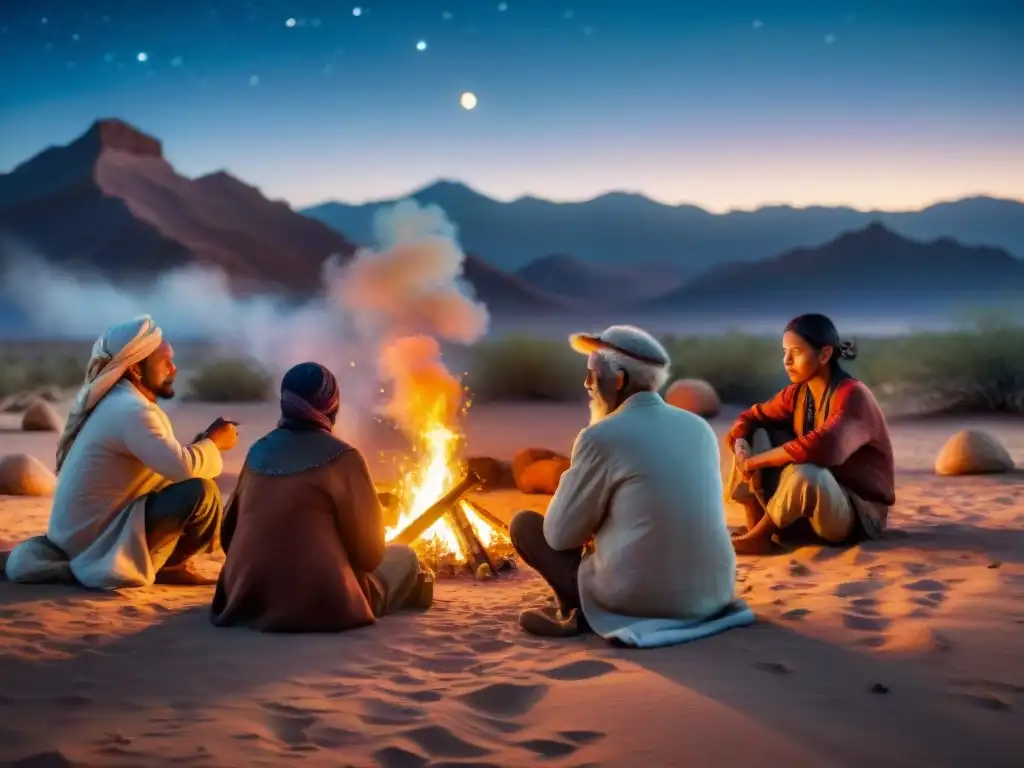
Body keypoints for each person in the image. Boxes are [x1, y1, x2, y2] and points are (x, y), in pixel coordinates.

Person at [509, 325, 737, 638]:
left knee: (525, 525)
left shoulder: (600, 437)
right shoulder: (699, 428)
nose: (586, 383)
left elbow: (559, 536)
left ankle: (579, 611)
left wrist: (573, 479)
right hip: (713, 595)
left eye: (592, 374)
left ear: (618, 380)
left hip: (638, 599)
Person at [17, 316, 235, 589]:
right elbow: (182, 468)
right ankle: (172, 566)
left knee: (194, 482)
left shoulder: (119, 402)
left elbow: (163, 464)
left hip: (80, 534)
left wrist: (201, 444)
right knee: (201, 493)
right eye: (165, 361)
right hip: (94, 542)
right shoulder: (132, 411)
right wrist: (214, 443)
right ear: (135, 368)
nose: (174, 369)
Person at [211, 362, 428, 633]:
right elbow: (370, 555)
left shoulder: (259, 450)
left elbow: (228, 537)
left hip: (246, 594)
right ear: (332, 405)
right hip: (323, 601)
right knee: (405, 557)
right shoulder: (344, 457)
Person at [726, 313, 896, 555]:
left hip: (856, 515)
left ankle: (762, 536)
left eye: (795, 352)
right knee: (755, 434)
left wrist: (757, 461)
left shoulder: (854, 395)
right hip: (815, 508)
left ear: (824, 355)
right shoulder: (796, 394)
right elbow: (751, 416)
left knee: (806, 471)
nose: (786, 360)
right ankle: (756, 525)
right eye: (784, 352)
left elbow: (826, 447)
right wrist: (742, 443)